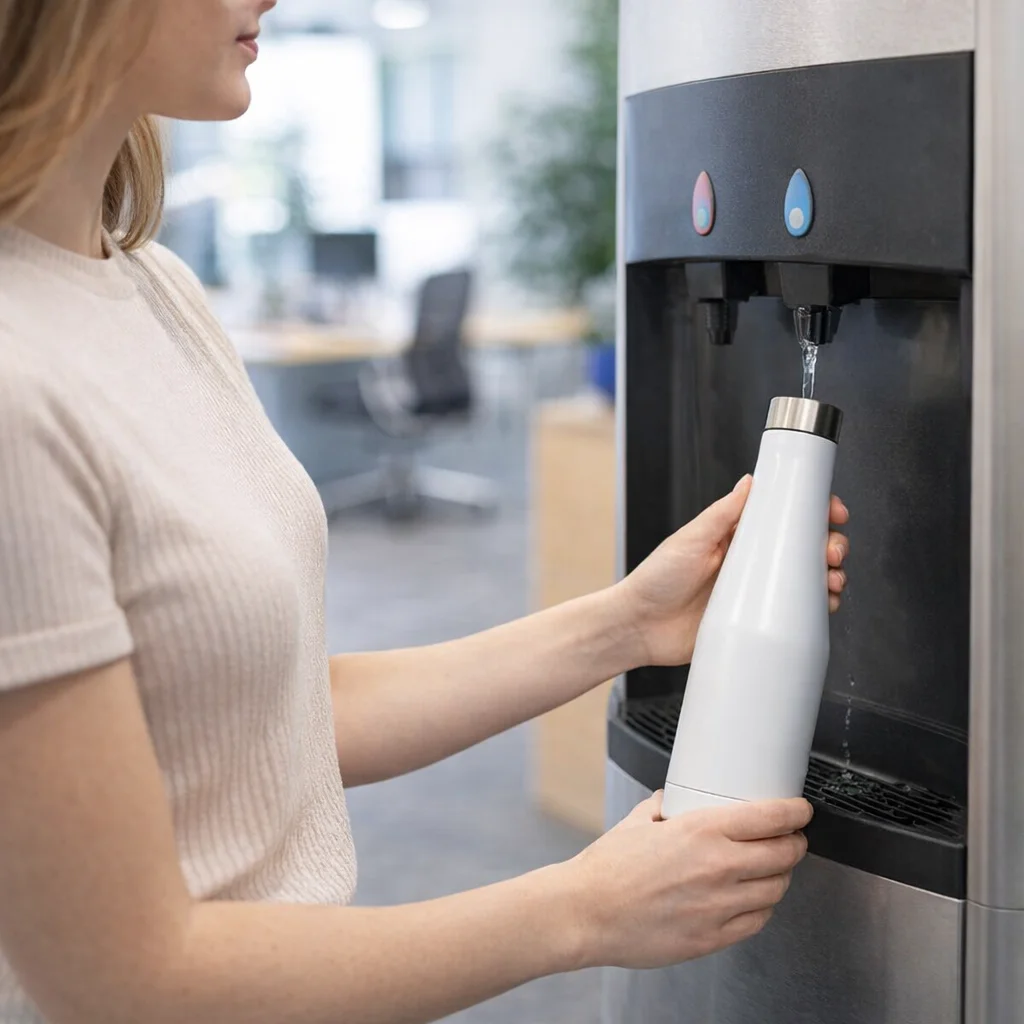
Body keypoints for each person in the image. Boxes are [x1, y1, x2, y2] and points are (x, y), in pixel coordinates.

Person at [0, 2, 850, 1022]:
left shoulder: (153, 290)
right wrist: (579, 909)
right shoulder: (15, 381)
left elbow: (261, 720)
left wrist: (628, 622)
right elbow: (128, 980)